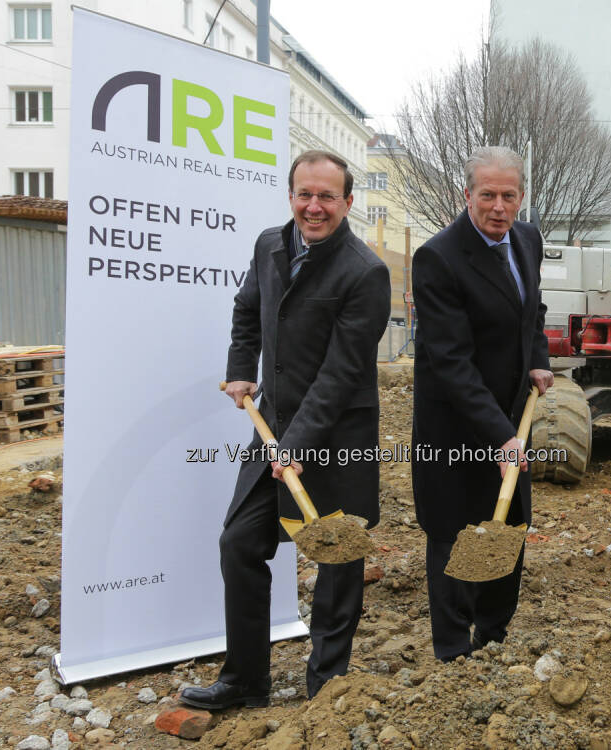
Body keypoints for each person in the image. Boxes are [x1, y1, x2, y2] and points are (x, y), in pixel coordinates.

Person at [180, 150, 390, 709]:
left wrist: (297, 444)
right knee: (239, 544)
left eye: (327, 196)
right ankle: (245, 681)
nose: (314, 207)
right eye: (304, 194)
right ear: (291, 195)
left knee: (338, 556)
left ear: (348, 202)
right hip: (273, 424)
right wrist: (239, 369)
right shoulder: (269, 245)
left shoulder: (365, 272)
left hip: (338, 434)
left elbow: (343, 371)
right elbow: (247, 308)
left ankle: (326, 687)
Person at [411, 146, 553, 662]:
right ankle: (453, 651)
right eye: (487, 195)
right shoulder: (438, 258)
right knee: (456, 531)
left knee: (507, 524)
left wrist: (537, 357)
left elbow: (531, 308)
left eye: (508, 195)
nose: (498, 206)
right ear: (465, 194)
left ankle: (492, 636)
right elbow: (450, 362)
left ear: (521, 197)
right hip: (454, 422)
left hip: (511, 414)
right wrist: (501, 436)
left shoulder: (527, 240)